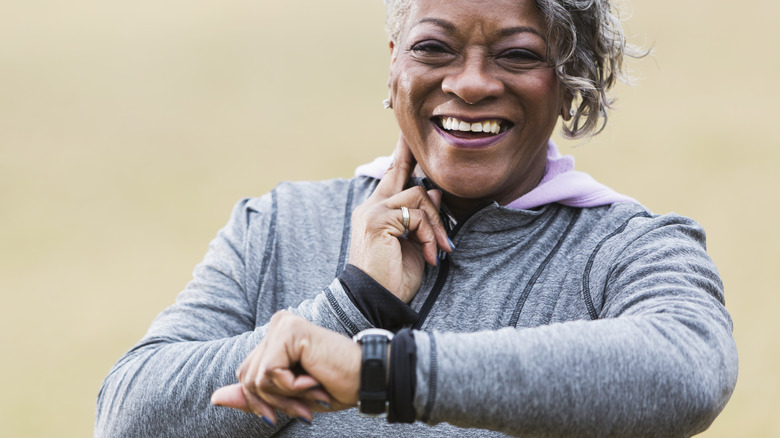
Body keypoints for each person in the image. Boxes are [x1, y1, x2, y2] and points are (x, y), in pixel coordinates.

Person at [95, 0, 738, 436]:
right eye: (435, 48)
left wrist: (382, 372)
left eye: (517, 55)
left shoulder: (627, 247)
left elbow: (690, 364)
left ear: (571, 78)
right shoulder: (281, 223)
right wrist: (352, 304)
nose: (471, 83)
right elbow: (127, 414)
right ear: (394, 59)